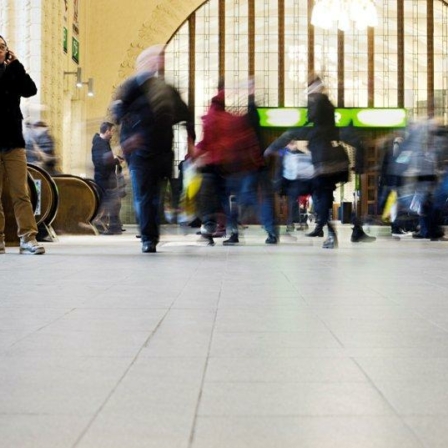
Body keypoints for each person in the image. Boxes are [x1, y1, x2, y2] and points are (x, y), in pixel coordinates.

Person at [111, 44, 194, 253]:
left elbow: (186, 116)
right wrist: (128, 140)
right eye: (156, 57)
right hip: (139, 155)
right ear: (143, 62)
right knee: (144, 196)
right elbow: (118, 111)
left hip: (163, 154)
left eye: (161, 58)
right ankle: (148, 238)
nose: (159, 61)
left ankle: (152, 236)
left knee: (156, 197)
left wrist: (191, 144)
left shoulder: (167, 90)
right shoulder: (131, 86)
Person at [265, 75, 352, 249]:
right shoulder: (327, 108)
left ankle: (329, 231)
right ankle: (327, 228)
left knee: (320, 195)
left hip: (323, 160)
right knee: (321, 195)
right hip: (330, 159)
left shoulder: (318, 107)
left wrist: (274, 146)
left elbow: (300, 130)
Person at [0, 35, 45, 254]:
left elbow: (30, 90)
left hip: (13, 143)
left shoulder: (13, 71)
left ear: (7, 51)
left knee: (21, 193)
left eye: (1, 47)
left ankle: (28, 238)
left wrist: (16, 64)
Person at [91, 122, 124, 235]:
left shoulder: (103, 143)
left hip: (107, 178)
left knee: (114, 203)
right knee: (110, 203)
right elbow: (101, 162)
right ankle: (110, 227)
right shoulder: (99, 144)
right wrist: (115, 161)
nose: (112, 134)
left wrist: (114, 158)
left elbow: (105, 159)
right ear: (106, 131)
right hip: (104, 179)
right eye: (111, 131)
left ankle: (115, 226)